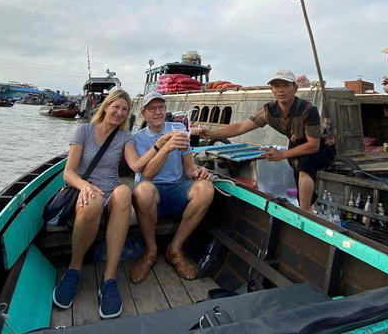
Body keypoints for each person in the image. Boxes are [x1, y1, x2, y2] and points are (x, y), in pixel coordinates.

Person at [52, 89, 150, 319]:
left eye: (124, 109)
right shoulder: (84, 131)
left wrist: (160, 146)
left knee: (125, 192)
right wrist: (84, 186)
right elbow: (68, 173)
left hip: (111, 194)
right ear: (106, 107)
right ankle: (74, 270)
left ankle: (109, 278)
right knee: (93, 199)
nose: (119, 112)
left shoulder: (125, 137)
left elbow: (135, 166)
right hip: (85, 193)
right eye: (116, 106)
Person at [199, 70, 335, 213]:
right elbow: (241, 127)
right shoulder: (269, 111)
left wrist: (282, 155)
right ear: (272, 90)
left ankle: (305, 213)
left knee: (305, 166)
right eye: (276, 86)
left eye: (285, 85)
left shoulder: (307, 110)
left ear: (295, 88)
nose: (280, 90)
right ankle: (308, 208)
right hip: (297, 144)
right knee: (299, 175)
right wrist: (211, 134)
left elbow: (313, 145)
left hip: (323, 147)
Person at [127, 92, 215, 284]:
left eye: (161, 108)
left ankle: (174, 249)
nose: (157, 112)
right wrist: (166, 147)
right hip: (153, 194)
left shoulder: (179, 128)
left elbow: (188, 166)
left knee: (206, 188)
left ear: (166, 110)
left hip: (176, 190)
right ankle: (150, 251)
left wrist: (198, 172)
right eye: (152, 109)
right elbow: (147, 175)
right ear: (143, 114)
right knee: (143, 190)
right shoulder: (138, 139)